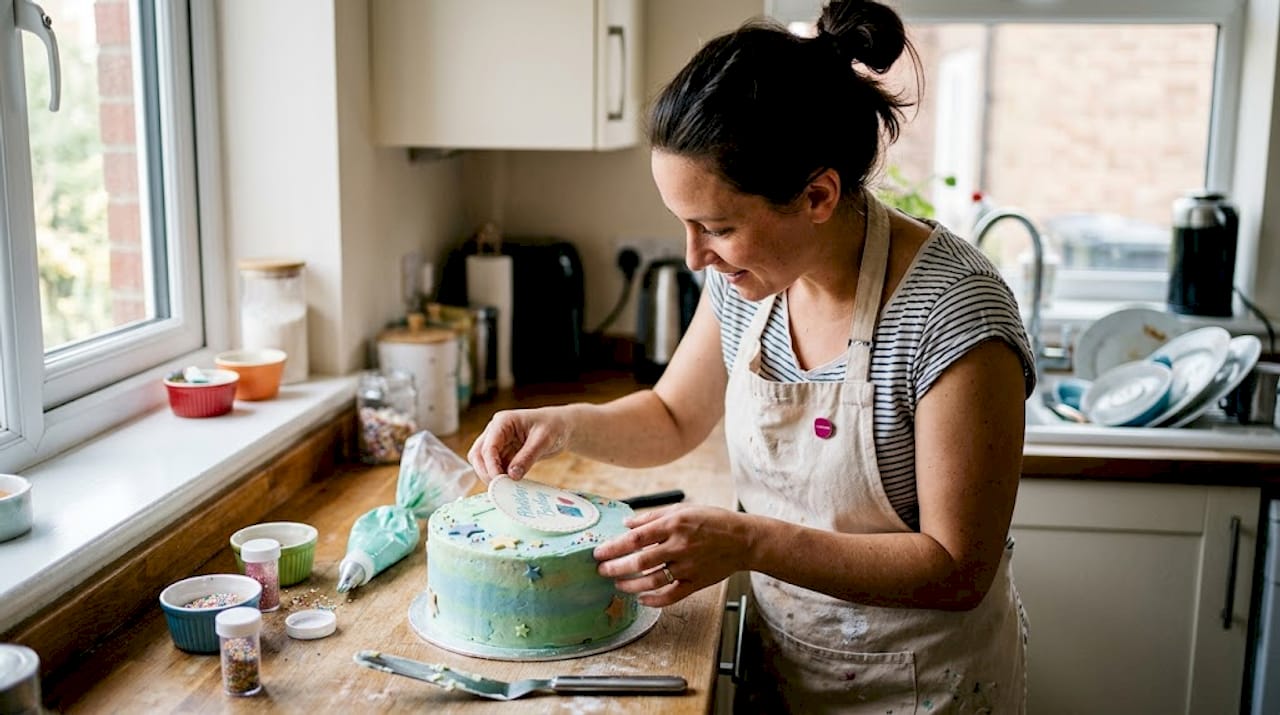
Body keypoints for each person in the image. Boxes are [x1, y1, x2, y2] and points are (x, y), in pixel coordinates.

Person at [467, 1, 1035, 711]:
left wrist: (749, 541)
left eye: (718, 227)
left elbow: (956, 568)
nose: (694, 255)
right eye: (684, 224)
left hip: (927, 689)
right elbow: (674, 413)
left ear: (818, 195)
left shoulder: (952, 316)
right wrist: (564, 424)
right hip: (788, 668)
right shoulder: (751, 284)